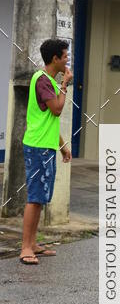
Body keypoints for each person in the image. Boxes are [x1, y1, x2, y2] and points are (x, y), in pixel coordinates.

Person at [19, 38, 73, 265]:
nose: (67, 60)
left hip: (46, 146)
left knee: (40, 197)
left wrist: (62, 146)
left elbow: (50, 119)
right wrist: (65, 84)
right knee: (34, 198)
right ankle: (25, 248)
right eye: (65, 56)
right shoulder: (43, 81)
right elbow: (57, 109)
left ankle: (33, 244)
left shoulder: (47, 80)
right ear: (55, 58)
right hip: (38, 146)